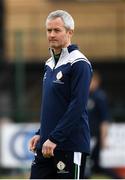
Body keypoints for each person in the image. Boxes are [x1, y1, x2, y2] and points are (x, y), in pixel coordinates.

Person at [29, 10, 93, 179]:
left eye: (57, 30)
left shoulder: (79, 63)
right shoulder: (49, 64)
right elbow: (53, 105)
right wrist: (41, 133)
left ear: (69, 32)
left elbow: (77, 106)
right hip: (46, 144)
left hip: (69, 145)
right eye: (48, 30)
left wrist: (55, 138)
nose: (51, 35)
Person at [85, 71, 120, 179]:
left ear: (96, 82)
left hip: (94, 136)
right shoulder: (86, 96)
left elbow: (105, 120)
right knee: (95, 165)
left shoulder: (100, 97)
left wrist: (103, 138)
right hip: (87, 135)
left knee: (87, 164)